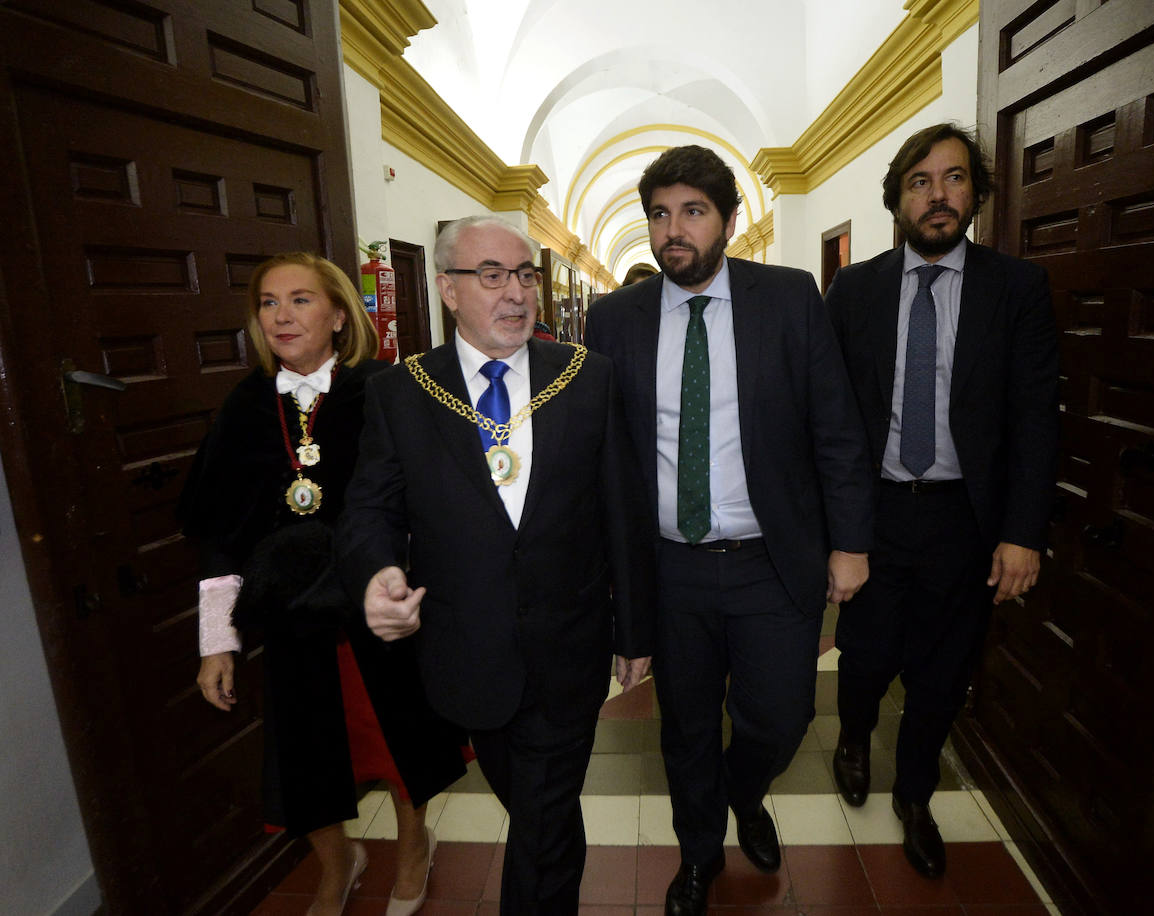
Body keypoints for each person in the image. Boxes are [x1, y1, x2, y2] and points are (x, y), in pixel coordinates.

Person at [335, 216, 656, 914]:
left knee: (542, 811)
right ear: (448, 290)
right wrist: (377, 572)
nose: (516, 293)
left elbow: (622, 513)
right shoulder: (403, 391)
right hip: (466, 650)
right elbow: (369, 509)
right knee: (542, 811)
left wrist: (634, 631)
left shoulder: (585, 377)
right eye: (491, 275)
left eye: (525, 275)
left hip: (569, 645)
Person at [584, 146, 873, 916]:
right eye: (659, 214)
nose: (672, 230)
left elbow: (836, 428)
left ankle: (744, 793)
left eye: (693, 211)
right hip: (669, 568)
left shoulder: (788, 297)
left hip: (771, 560)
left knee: (781, 716)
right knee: (683, 726)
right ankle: (700, 852)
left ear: (729, 221)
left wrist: (850, 543)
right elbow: (601, 451)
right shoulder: (614, 318)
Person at [182, 252, 467, 916]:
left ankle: (414, 847)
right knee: (304, 759)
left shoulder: (385, 388)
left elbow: (435, 500)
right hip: (292, 619)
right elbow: (219, 532)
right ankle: (339, 864)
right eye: (269, 303)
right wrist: (216, 642)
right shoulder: (245, 406)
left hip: (378, 607)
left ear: (339, 315)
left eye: (301, 300)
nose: (282, 316)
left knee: (402, 742)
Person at [825, 122, 1059, 879]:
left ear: (976, 194)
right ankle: (853, 736)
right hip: (877, 513)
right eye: (920, 182)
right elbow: (828, 416)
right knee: (864, 656)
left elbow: (1034, 418)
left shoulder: (1016, 289)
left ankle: (915, 794)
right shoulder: (855, 290)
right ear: (898, 199)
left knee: (942, 670)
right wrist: (832, 528)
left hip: (965, 519)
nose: (938, 196)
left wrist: (1023, 531)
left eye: (954, 179)